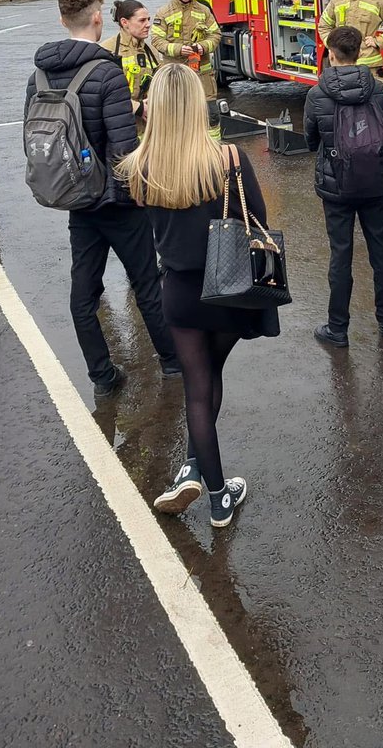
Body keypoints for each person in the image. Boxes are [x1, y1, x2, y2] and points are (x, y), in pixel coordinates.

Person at [118, 65, 280, 527]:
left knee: (197, 386)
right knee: (211, 376)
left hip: (181, 292)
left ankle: (210, 487)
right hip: (229, 288)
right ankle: (213, 488)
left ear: (155, 111)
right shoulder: (228, 159)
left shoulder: (139, 167)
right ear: (195, 106)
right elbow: (259, 222)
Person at [24, 0, 181, 397]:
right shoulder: (105, 71)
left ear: (62, 20)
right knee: (147, 285)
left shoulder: (37, 74)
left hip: (77, 201)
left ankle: (102, 375)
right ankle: (172, 363)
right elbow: (123, 147)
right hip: (117, 202)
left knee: (83, 293)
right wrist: (133, 193)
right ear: (98, 18)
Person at [303, 25, 383, 346]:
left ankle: (338, 328)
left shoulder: (317, 94)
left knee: (340, 255)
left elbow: (310, 139)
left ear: (331, 53)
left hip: (337, 186)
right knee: (381, 251)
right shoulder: (379, 89)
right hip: (376, 182)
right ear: (360, 52)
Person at [151, 0, 222, 99]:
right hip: (174, 73)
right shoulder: (163, 13)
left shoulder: (203, 11)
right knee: (177, 112)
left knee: (208, 114)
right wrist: (179, 49)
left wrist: (203, 46)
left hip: (201, 75)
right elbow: (156, 40)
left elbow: (216, 34)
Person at [101, 0, 160, 135]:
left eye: (148, 20)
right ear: (124, 22)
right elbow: (104, 95)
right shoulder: (107, 50)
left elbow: (159, 83)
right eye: (142, 20)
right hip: (121, 128)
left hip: (149, 127)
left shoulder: (151, 51)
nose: (148, 25)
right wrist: (137, 108)